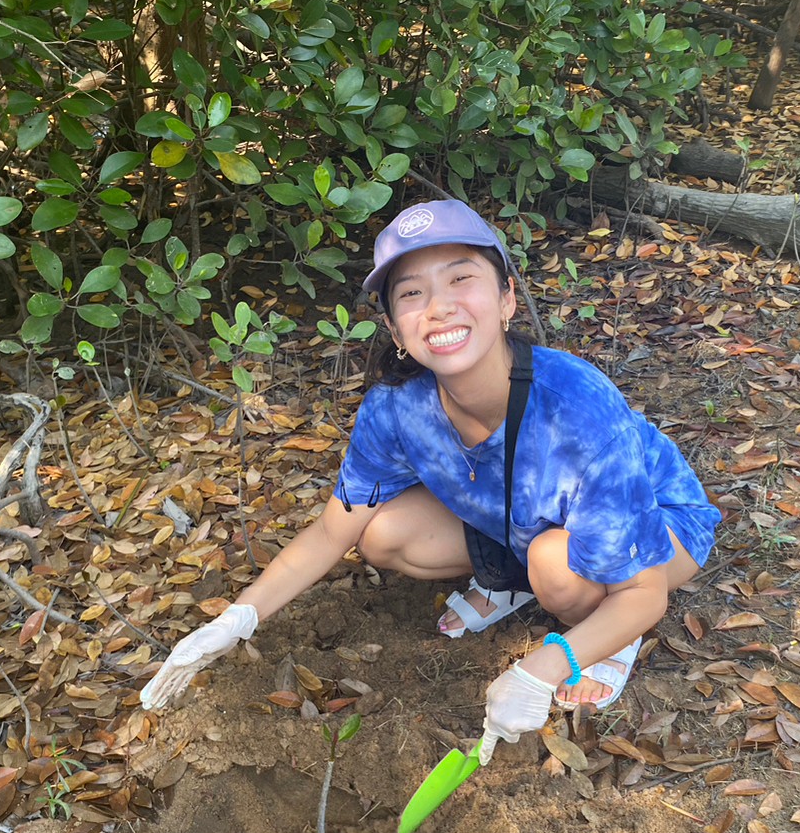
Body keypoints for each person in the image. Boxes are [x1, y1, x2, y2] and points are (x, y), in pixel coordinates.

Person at [140, 200, 720, 764]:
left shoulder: (575, 407)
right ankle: (514, 580)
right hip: (522, 522)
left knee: (557, 569)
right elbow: (329, 533)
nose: (438, 308)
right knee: (383, 532)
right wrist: (235, 619)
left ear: (506, 299)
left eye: (460, 279)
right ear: (395, 327)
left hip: (658, 532)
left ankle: (607, 639)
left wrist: (539, 669)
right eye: (412, 293)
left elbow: (646, 590)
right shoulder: (397, 410)